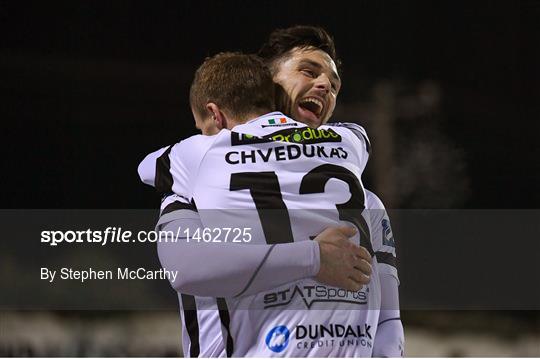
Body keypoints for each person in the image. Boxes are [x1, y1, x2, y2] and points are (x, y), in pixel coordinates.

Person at [140, 26, 403, 356]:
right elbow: (186, 268)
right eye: (308, 71)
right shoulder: (193, 190)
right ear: (266, 84)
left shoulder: (369, 205)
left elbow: (388, 325)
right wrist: (314, 257)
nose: (325, 87)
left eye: (334, 86)